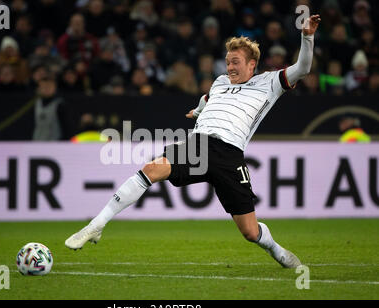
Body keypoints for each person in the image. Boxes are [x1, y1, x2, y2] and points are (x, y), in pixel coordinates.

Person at [65, 15, 322, 269]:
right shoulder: (221, 82)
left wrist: (306, 36)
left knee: (250, 232)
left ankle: (276, 249)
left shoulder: (269, 82)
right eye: (227, 62)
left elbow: (303, 68)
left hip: (229, 155)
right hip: (197, 146)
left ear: (252, 64)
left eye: (236, 62)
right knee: (151, 169)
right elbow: (207, 100)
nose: (229, 67)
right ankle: (96, 225)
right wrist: (198, 111)